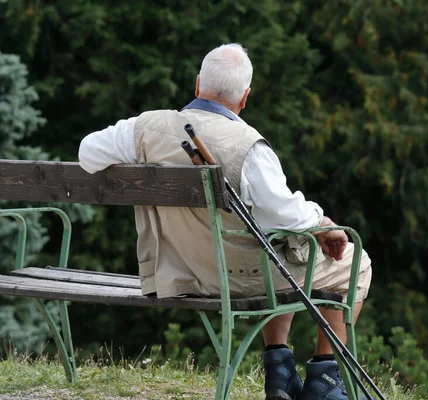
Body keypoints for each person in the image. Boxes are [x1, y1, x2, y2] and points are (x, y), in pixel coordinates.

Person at [78, 43, 372, 400]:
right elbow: (287, 216)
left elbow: (87, 152)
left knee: (279, 250)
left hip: (177, 272)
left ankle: (279, 369)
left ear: (198, 83)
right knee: (354, 263)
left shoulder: (143, 127)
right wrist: (323, 221)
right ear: (244, 97)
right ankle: (325, 379)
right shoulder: (248, 146)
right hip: (237, 281)